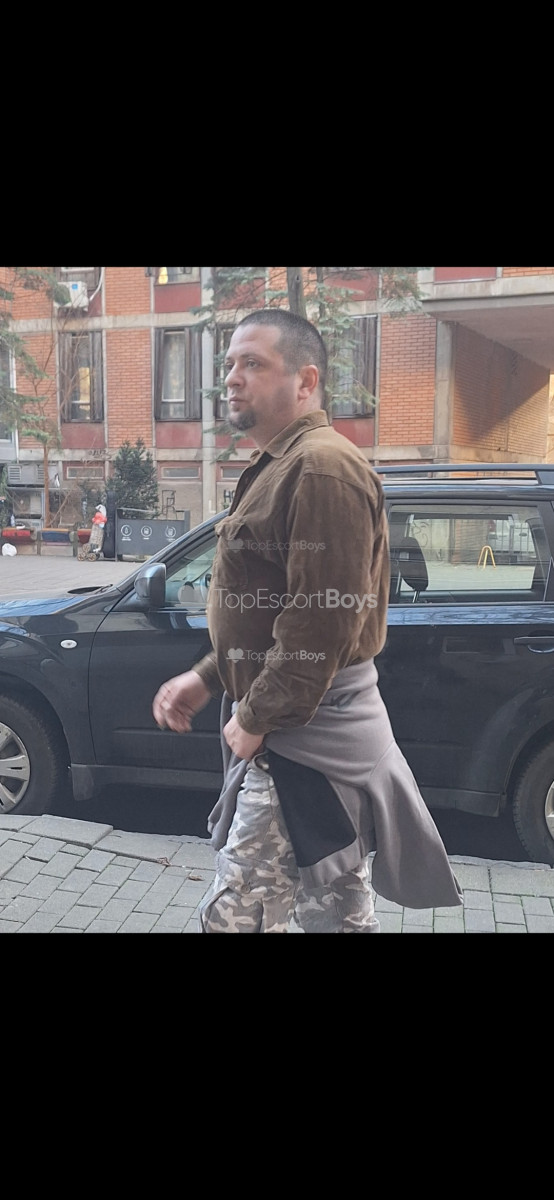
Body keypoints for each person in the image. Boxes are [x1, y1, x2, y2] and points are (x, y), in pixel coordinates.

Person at [152, 309, 463, 933]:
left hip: (302, 736)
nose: (232, 377)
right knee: (337, 911)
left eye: (253, 363)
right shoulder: (280, 463)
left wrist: (254, 716)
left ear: (306, 380)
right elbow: (267, 606)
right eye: (230, 364)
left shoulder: (321, 468)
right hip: (292, 728)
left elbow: (320, 621)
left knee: (238, 918)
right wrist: (209, 676)